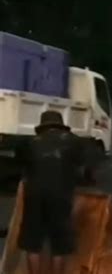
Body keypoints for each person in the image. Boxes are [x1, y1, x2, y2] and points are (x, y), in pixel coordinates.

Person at [17, 111, 84, 274]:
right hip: (61, 196)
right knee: (59, 246)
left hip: (34, 195)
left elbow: (23, 168)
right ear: (60, 125)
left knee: (32, 244)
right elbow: (82, 170)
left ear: (42, 125)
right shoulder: (74, 141)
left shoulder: (30, 142)